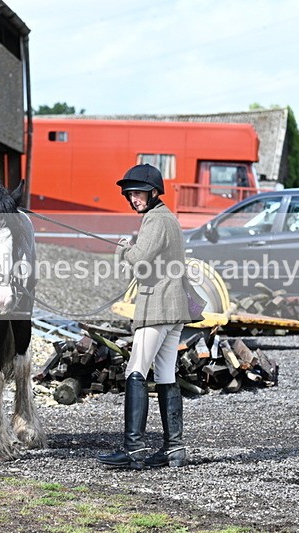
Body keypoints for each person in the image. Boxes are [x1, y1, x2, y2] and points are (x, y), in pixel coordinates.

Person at [97, 163, 201, 469]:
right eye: (129, 195)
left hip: (156, 307)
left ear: (154, 192)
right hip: (174, 310)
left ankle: (134, 449)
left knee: (136, 371)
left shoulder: (156, 220)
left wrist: (123, 250)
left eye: (138, 193)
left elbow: (140, 260)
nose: (133, 199)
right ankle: (174, 450)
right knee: (166, 374)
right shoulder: (168, 219)